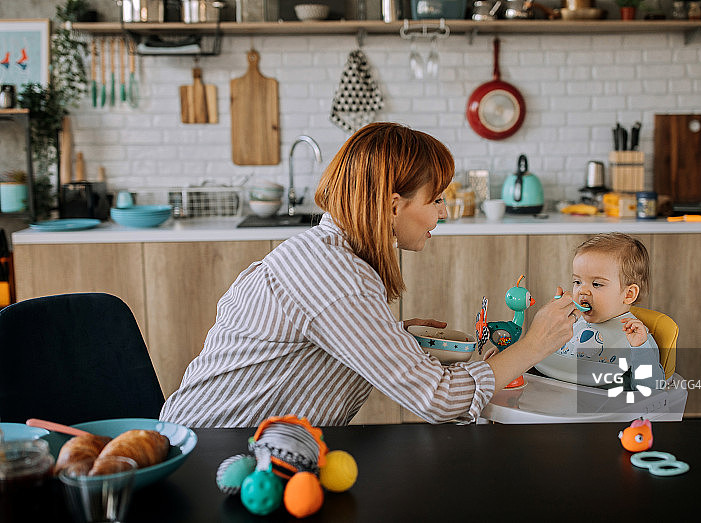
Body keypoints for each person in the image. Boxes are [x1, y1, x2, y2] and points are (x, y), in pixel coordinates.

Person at [159, 122, 577, 428]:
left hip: (240, 448)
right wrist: (535, 344)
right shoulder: (334, 277)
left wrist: (391, 336)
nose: (444, 212)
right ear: (394, 206)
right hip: (212, 454)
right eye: (435, 199)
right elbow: (439, 399)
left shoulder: (331, 257)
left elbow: (313, 344)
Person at [549, 233, 665, 390]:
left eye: (596, 284)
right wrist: (553, 323)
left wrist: (641, 350)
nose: (582, 290)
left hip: (606, 404)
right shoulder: (572, 322)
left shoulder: (636, 338)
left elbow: (649, 388)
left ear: (628, 294)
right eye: (577, 282)